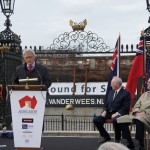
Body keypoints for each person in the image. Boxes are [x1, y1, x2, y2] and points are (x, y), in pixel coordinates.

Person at [93, 76, 134, 149]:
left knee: (116, 120)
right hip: (109, 113)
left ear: (118, 84)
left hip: (119, 113)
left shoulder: (126, 93)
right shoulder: (110, 92)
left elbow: (126, 107)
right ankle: (106, 136)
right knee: (96, 120)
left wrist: (117, 113)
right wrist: (105, 110)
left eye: (112, 83)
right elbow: (106, 104)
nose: (111, 84)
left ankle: (118, 139)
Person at [118, 78, 150, 150]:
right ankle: (129, 142)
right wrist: (136, 112)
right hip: (137, 114)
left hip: (147, 116)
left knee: (139, 119)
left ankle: (140, 144)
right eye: (148, 82)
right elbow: (136, 105)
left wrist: (144, 112)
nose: (147, 84)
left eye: (149, 83)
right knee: (122, 119)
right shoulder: (144, 94)